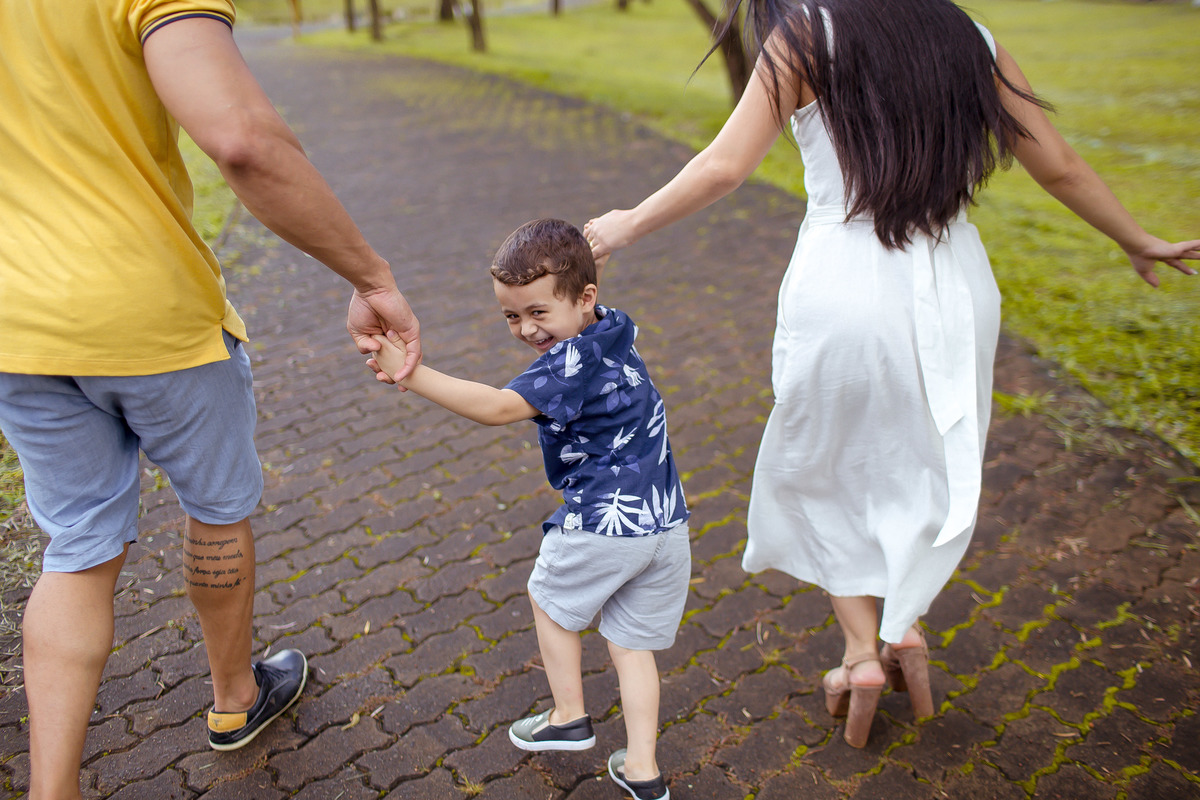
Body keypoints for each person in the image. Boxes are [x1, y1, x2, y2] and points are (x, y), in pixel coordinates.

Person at [583, 0, 1199, 748]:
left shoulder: (805, 34)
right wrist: (1137, 239)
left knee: (826, 469)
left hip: (846, 280)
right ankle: (904, 625)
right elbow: (1060, 165)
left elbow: (724, 166)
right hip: (955, 282)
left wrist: (624, 224)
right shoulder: (970, 36)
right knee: (923, 460)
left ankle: (861, 651)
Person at [0, 2, 421, 797]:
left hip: (17, 325)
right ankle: (234, 700)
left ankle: (50, 791)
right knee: (217, 509)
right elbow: (242, 140)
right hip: (150, 310)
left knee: (77, 549)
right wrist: (371, 276)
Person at [371, 218, 689, 800]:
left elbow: (496, 408)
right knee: (631, 645)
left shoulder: (568, 363)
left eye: (537, 312)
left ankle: (568, 716)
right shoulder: (612, 327)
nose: (526, 329)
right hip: (666, 525)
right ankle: (643, 769)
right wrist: (581, 263)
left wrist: (408, 372)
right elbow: (578, 284)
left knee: (549, 599)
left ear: (583, 298)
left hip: (606, 521)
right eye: (511, 316)